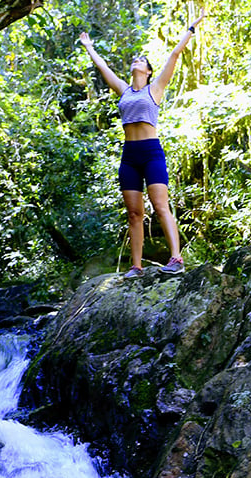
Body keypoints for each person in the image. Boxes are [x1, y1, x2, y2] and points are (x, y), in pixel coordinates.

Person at [79, 9, 204, 278]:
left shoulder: (155, 88)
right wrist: (89, 47)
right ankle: (136, 266)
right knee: (134, 214)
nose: (136, 61)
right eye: (134, 59)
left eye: (141, 60)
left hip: (151, 153)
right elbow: (103, 68)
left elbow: (174, 55)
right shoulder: (124, 90)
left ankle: (176, 258)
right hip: (129, 156)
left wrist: (190, 29)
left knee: (160, 206)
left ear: (147, 71)